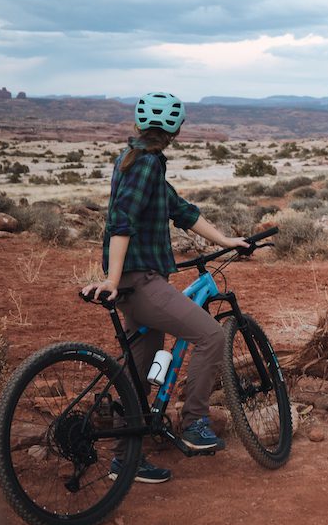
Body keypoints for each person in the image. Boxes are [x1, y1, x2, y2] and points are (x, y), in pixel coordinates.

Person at [82, 91, 248, 484]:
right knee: (210, 335)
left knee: (138, 372)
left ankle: (126, 460)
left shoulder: (138, 161)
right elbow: (121, 221)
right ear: (175, 129)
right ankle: (194, 423)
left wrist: (226, 241)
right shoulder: (144, 166)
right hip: (139, 281)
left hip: (133, 280)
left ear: (141, 124)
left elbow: (181, 210)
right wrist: (112, 279)